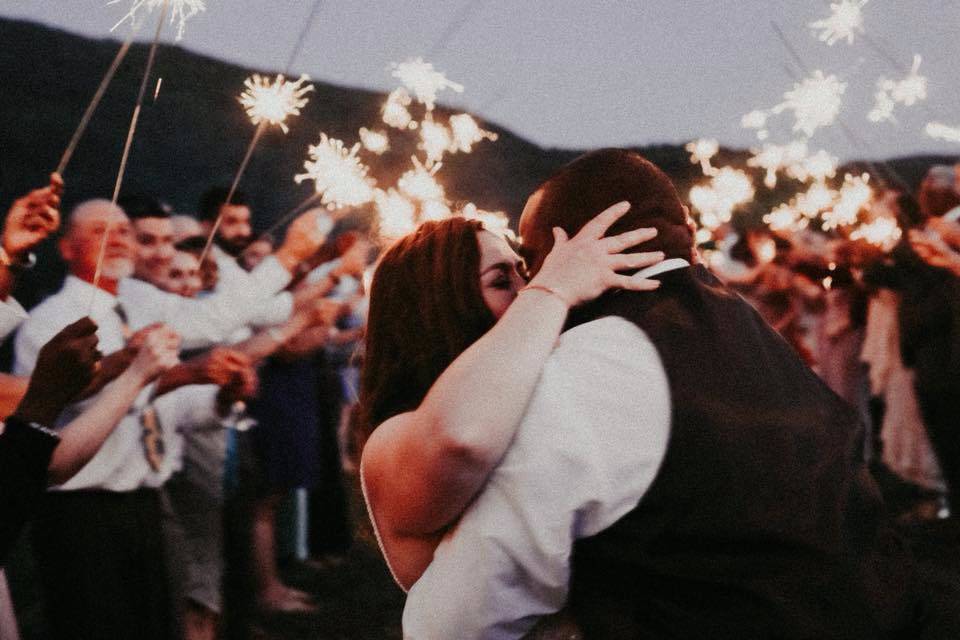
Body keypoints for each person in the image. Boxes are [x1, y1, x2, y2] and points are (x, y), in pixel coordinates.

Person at [367, 150, 952, 639]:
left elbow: (455, 619)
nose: (529, 290)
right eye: (507, 277)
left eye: (529, 264)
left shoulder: (588, 367)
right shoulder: (753, 339)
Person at [357, 202, 665, 591]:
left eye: (527, 274)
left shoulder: (539, 396)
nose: (527, 293)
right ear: (434, 310)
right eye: (502, 282)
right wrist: (553, 288)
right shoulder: (391, 441)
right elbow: (461, 437)